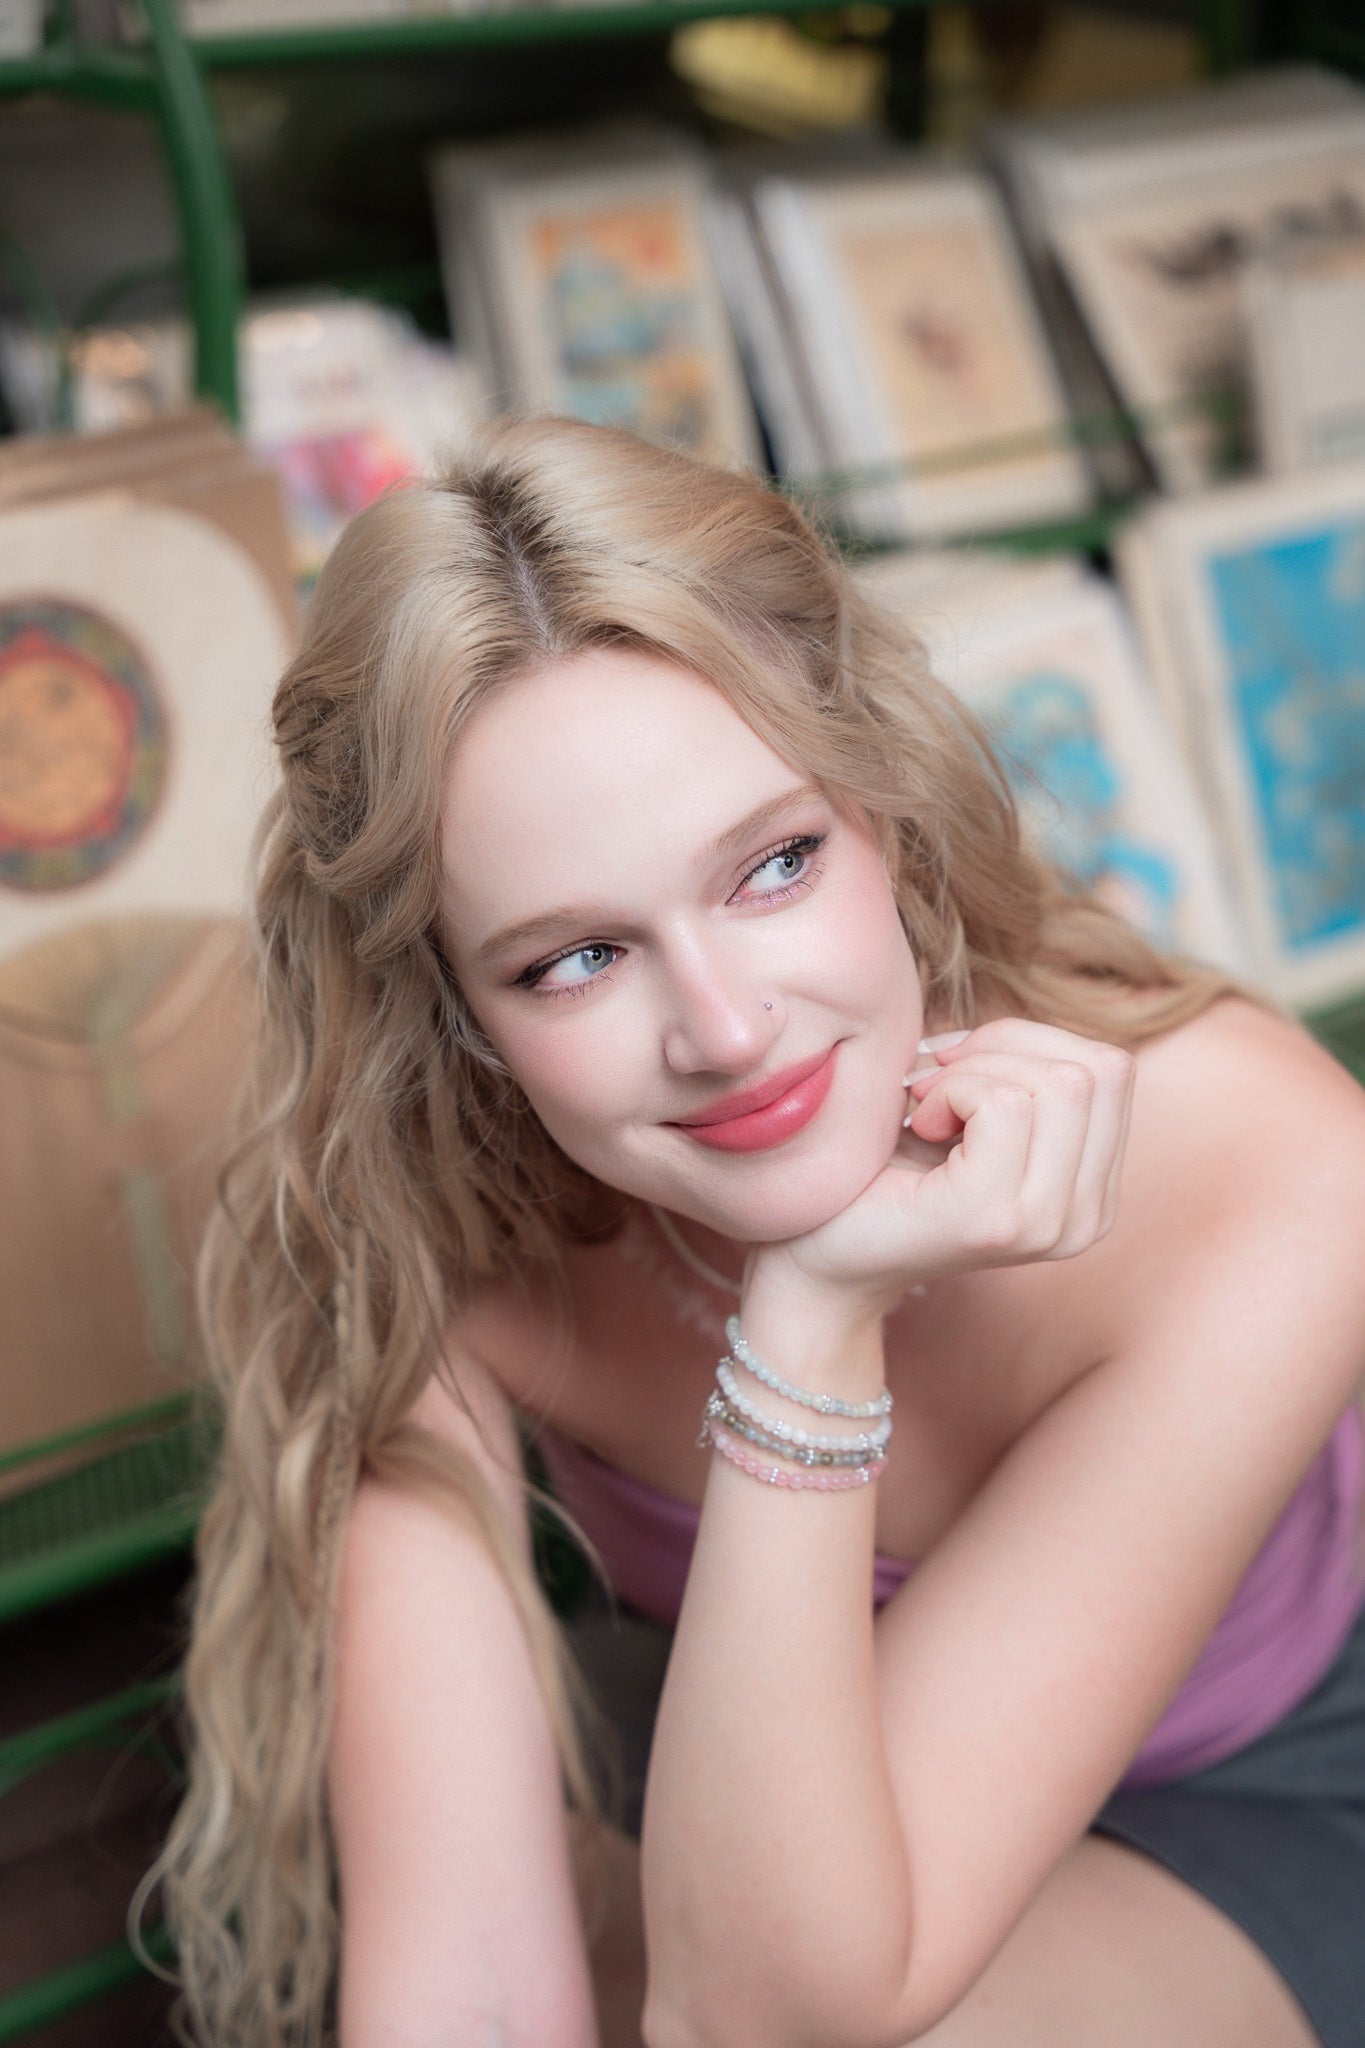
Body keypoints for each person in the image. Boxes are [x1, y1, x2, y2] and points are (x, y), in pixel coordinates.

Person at [154, 415, 1365, 2048]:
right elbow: (470, 1992)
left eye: (774, 865)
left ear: (888, 811)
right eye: (570, 960)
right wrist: (821, 1292)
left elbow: (766, 2015)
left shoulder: (1265, 1165)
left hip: (1264, 1792)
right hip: (774, 1775)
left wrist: (806, 1319)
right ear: (449, 1013)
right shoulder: (428, 1224)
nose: (724, 1031)